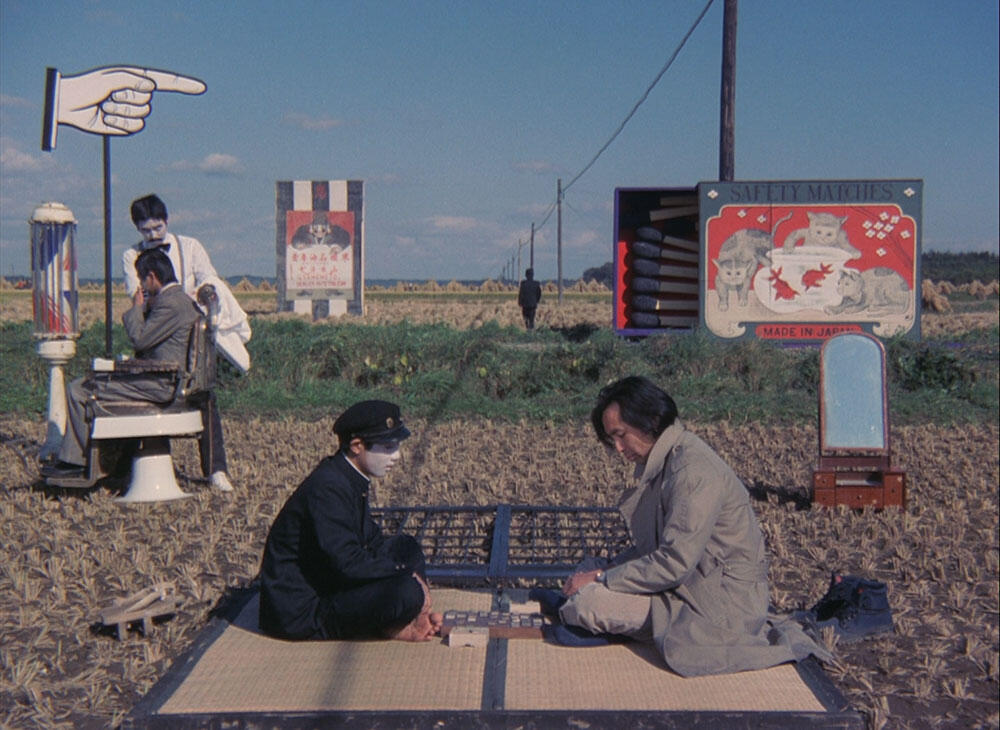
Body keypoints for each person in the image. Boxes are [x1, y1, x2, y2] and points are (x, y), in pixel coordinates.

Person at [546, 376, 827, 676]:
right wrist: (605, 570)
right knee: (589, 572)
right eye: (611, 440)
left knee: (588, 603)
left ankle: (600, 621)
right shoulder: (669, 459)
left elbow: (673, 563)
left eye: (621, 435)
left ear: (650, 421)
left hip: (719, 608)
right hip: (689, 587)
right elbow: (656, 550)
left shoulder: (692, 472)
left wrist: (602, 578)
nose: (618, 448)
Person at [258, 400, 442, 642]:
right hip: (303, 609)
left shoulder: (347, 477)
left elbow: (371, 540)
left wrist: (403, 570)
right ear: (357, 446)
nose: (397, 455)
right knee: (406, 591)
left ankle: (412, 617)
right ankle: (397, 620)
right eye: (388, 447)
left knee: (405, 547)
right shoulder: (328, 488)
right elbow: (347, 563)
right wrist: (404, 574)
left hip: (328, 579)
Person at [124, 193, 251, 492]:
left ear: (167, 221)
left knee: (203, 395)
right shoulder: (131, 255)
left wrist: (201, 295)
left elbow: (210, 279)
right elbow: (136, 294)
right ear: (137, 229)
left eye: (158, 228)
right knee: (153, 396)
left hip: (192, 334)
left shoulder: (190, 246)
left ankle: (216, 469)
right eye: (146, 230)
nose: (153, 235)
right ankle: (153, 466)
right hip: (156, 332)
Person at [42, 249, 202, 478]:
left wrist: (137, 307)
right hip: (166, 381)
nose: (142, 287)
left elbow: (140, 338)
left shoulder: (171, 304)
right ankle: (105, 464)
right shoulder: (180, 300)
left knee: (79, 389)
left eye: (142, 280)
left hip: (160, 385)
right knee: (88, 385)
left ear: (152, 277)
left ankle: (76, 463)